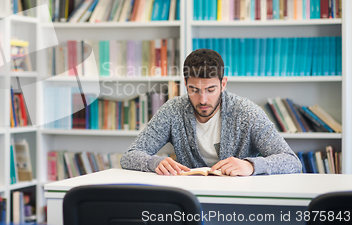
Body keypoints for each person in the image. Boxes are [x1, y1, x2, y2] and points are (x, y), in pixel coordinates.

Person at [120, 49, 302, 176]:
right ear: (185, 84)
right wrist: (155, 163)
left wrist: (251, 166)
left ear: (223, 84)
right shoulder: (172, 110)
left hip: (238, 197)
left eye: (211, 89)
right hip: (190, 198)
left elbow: (292, 161)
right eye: (194, 89)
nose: (203, 100)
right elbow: (130, 155)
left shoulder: (247, 113)